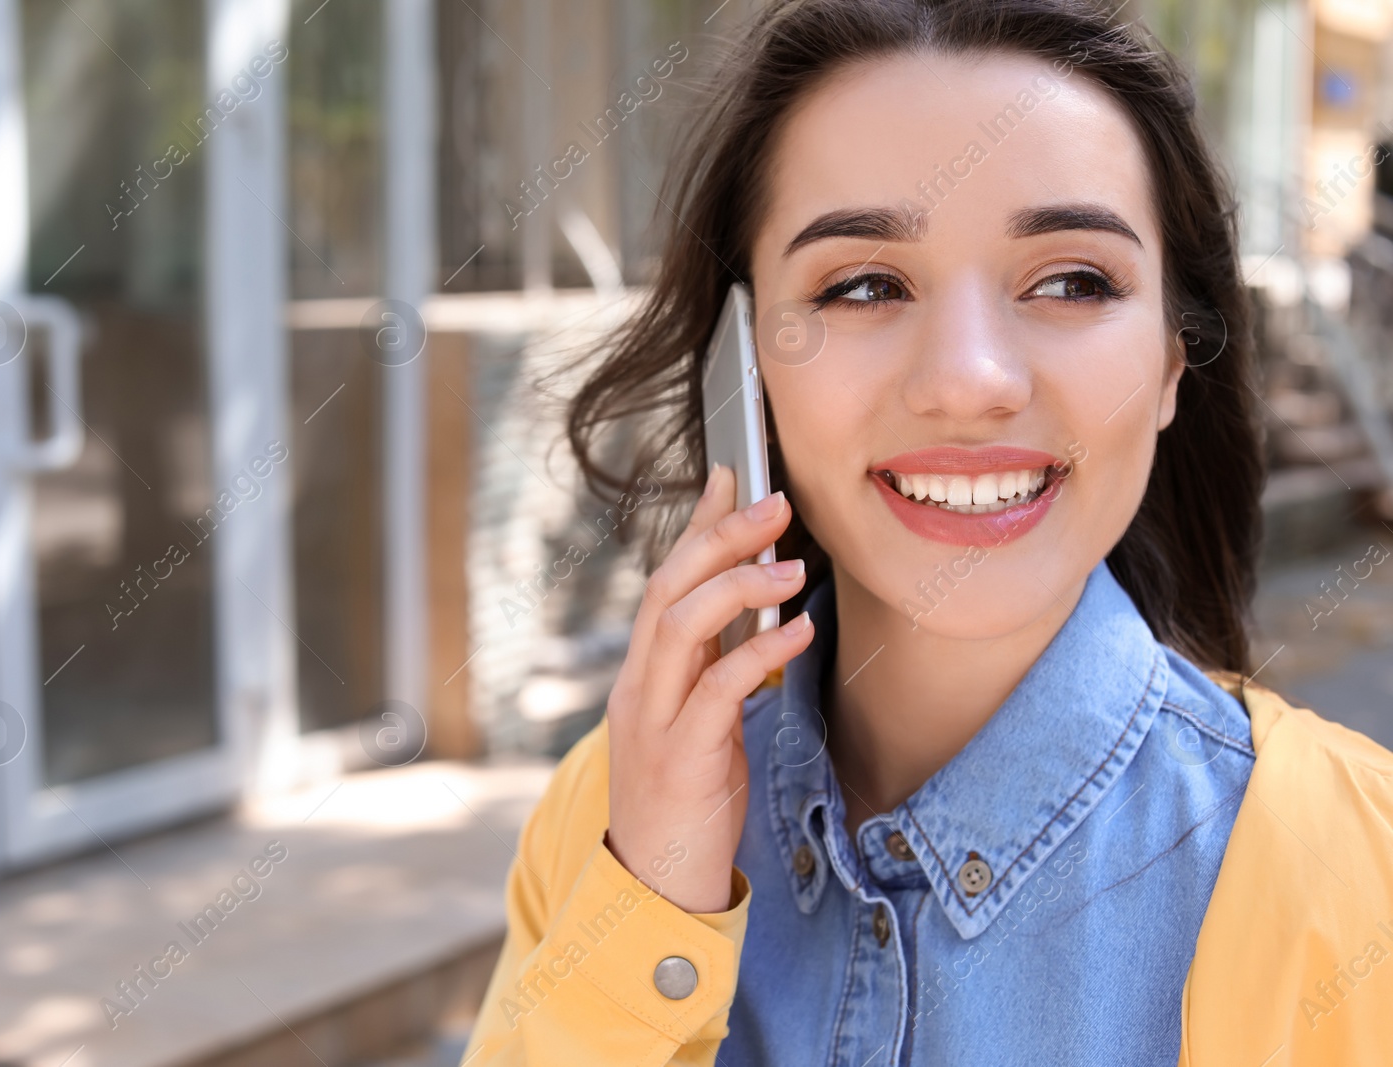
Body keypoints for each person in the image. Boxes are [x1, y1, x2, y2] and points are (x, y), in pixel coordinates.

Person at [463, 1, 1393, 1063]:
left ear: (1175, 360)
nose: (967, 381)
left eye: (1072, 280)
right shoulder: (607, 812)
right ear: (745, 364)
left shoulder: (1359, 872)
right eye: (862, 285)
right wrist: (648, 923)